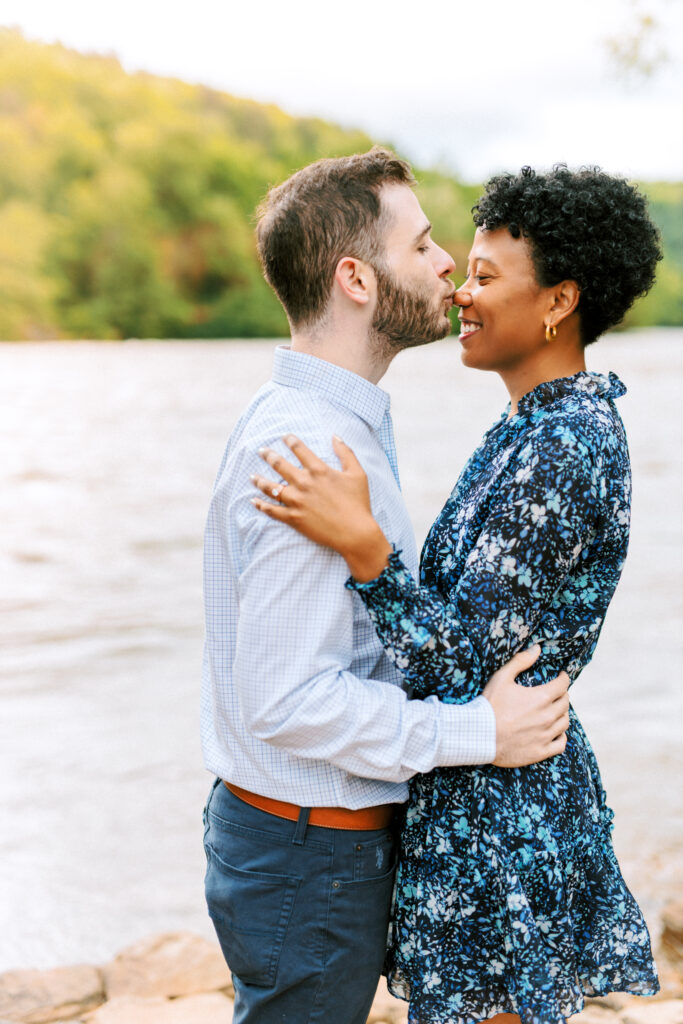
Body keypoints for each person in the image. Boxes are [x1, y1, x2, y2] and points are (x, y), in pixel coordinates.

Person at [250, 165, 663, 1024]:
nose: (459, 292)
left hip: (503, 815)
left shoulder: (562, 444)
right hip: (485, 788)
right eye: (461, 270)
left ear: (558, 302)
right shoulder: (530, 424)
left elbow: (462, 661)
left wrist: (367, 551)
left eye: (484, 276)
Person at [201, 149, 572, 1024]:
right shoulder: (313, 448)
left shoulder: (317, 417)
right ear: (356, 279)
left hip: (292, 840)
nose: (450, 265)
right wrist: (478, 731)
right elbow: (288, 701)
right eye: (423, 246)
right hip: (308, 851)